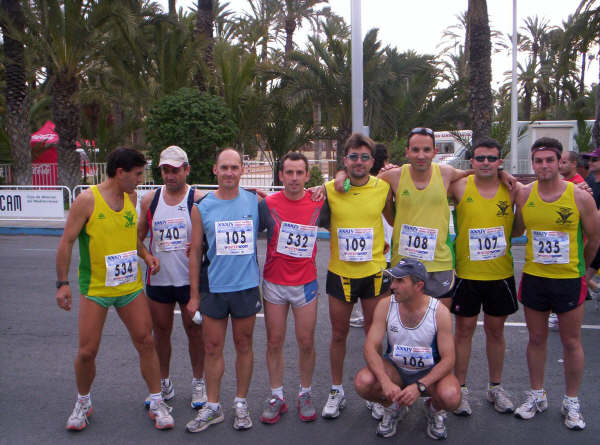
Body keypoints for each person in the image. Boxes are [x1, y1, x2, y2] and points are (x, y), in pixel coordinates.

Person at [55, 147, 174, 431]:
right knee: (87, 351)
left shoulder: (131, 197)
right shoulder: (87, 200)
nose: (139, 179)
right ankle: (83, 402)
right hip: (96, 288)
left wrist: (145, 256)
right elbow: (66, 242)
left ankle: (157, 402)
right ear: (120, 172)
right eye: (136, 174)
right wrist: (62, 284)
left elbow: (129, 236)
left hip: (130, 288)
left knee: (146, 341)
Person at [512, 137, 599, 430]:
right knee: (536, 339)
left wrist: (585, 271)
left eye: (551, 160)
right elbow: (517, 229)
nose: (545, 165)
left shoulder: (579, 196)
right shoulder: (524, 195)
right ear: (533, 164)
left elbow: (595, 237)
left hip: (569, 279)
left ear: (560, 162)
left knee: (571, 341)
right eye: (539, 161)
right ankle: (537, 395)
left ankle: (571, 401)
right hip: (535, 278)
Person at [319, 133, 394, 419]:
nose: (359, 162)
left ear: (372, 161)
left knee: (375, 338)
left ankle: (375, 391)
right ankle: (336, 390)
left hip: (374, 273)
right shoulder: (329, 188)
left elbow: (393, 219)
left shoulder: (383, 188)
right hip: (341, 274)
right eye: (353, 157)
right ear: (345, 160)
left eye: (364, 157)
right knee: (339, 335)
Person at [185, 148, 261, 433]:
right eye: (224, 167)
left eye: (235, 167)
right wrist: (193, 295)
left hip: (246, 287)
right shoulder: (201, 207)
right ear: (215, 171)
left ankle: (240, 403)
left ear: (242, 171)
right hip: (214, 288)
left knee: (244, 345)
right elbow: (193, 253)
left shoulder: (255, 202)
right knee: (212, 348)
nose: (230, 172)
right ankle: (213, 406)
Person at [448, 138, 519, 416]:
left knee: (495, 331)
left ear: (500, 161)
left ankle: (495, 387)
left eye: (492, 158)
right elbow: (441, 174)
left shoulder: (513, 189)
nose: (486, 163)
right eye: (480, 158)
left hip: (499, 274)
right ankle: (461, 389)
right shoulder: (460, 186)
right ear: (472, 162)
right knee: (463, 332)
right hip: (467, 274)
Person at [354, 258, 460, 440]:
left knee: (451, 397)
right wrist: (385, 382)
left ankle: (433, 410)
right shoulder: (386, 305)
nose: (392, 286)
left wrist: (420, 386)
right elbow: (370, 347)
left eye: (400, 281)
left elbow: (449, 359)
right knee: (364, 382)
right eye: (393, 279)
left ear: (418, 285)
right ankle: (393, 407)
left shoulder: (439, 312)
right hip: (396, 370)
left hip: (429, 374)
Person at [137, 146, 207, 410]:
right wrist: (146, 257)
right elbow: (137, 239)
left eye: (175, 170)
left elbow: (212, 237)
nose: (170, 176)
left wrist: (200, 246)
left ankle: (198, 382)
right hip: (160, 280)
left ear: (186, 170)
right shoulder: (150, 201)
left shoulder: (198, 199)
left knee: (195, 332)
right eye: (165, 170)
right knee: (161, 333)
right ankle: (163, 383)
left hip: (190, 281)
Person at [258, 151, 325, 424]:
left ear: (308, 176)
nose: (294, 178)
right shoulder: (268, 204)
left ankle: (305, 393)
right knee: (274, 341)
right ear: (281, 175)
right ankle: (277, 395)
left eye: (300, 173)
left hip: (305, 283)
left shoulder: (320, 202)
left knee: (306, 341)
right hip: (274, 282)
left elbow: (348, 185)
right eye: (289, 172)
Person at [349, 144, 392, 329]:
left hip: (380, 249)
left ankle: (381, 319)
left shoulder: (386, 183)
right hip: (380, 249)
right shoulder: (387, 182)